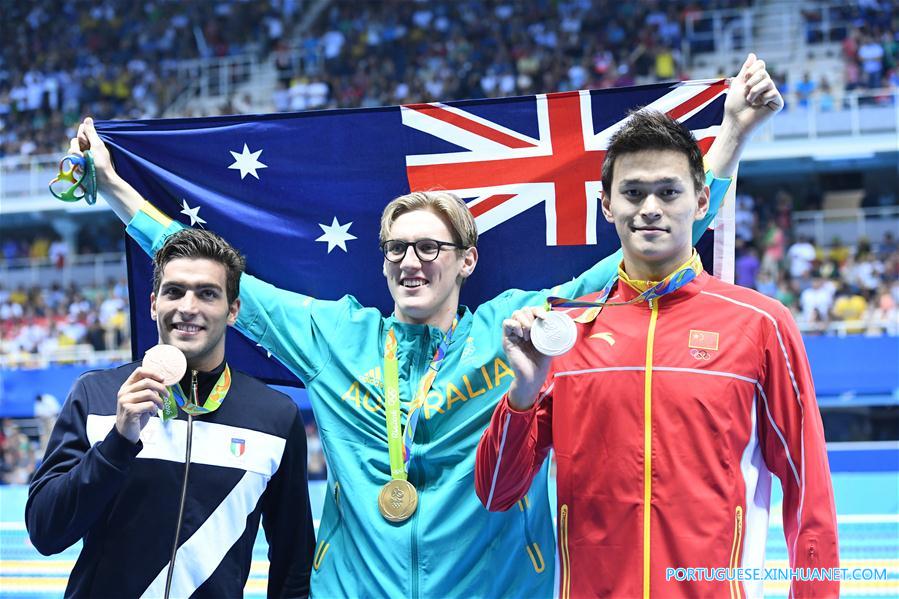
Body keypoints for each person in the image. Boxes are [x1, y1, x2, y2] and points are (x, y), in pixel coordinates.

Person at [72, 54, 780, 598]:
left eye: (429, 248)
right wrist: (116, 193)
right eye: (396, 249)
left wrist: (735, 135)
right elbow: (226, 283)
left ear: (466, 259)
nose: (411, 262)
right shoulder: (334, 335)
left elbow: (641, 249)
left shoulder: (516, 325)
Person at [475, 110, 838, 598]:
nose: (650, 208)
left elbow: (807, 487)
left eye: (668, 192)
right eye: (632, 193)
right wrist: (521, 392)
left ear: (702, 198)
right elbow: (498, 492)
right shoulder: (564, 329)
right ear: (606, 205)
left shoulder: (760, 324)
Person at [26, 229, 315, 598]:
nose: (188, 307)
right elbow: (45, 531)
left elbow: (295, 563)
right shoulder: (96, 394)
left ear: (233, 310)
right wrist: (118, 441)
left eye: (207, 293)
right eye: (174, 291)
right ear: (153, 304)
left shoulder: (275, 416)